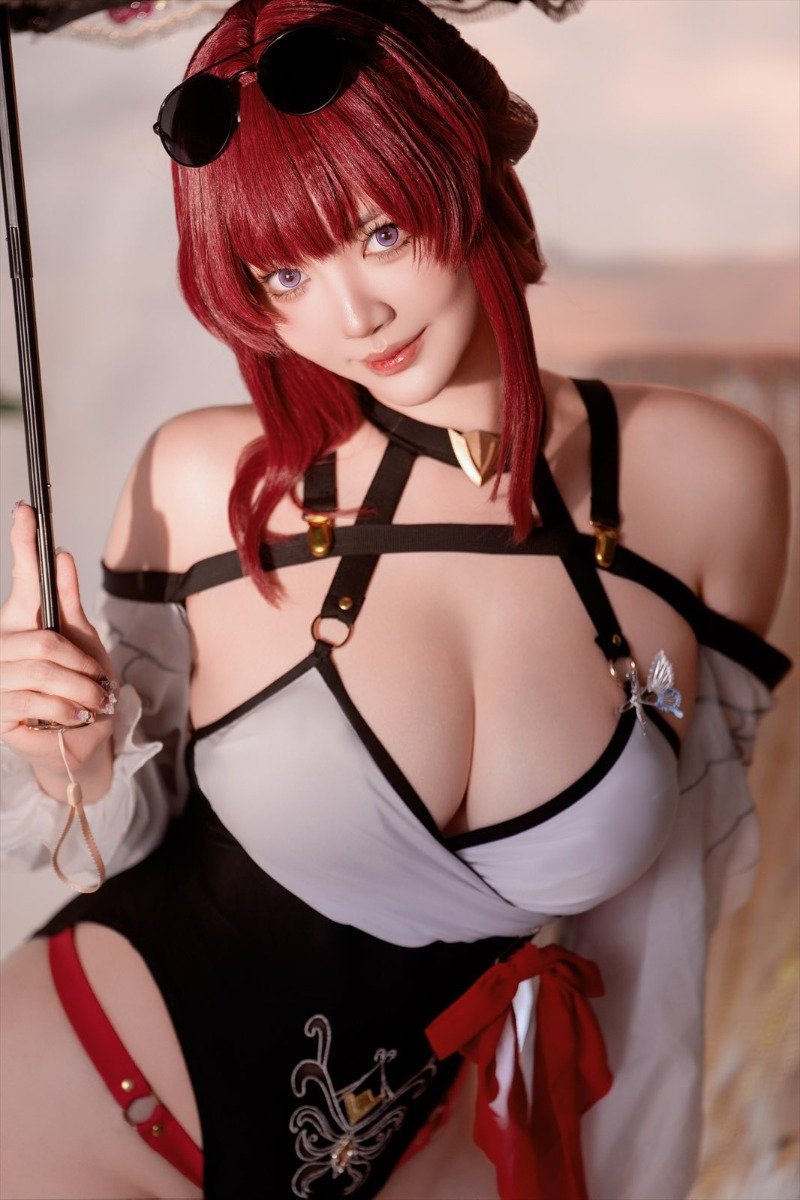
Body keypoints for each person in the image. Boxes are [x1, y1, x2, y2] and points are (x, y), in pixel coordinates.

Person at [0, 0, 792, 1197]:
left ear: (470, 168)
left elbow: (661, 913)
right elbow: (119, 840)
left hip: (423, 1150)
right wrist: (74, 758)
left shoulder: (704, 480)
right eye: (282, 270)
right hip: (79, 1098)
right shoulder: (205, 482)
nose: (351, 316)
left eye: (379, 231)